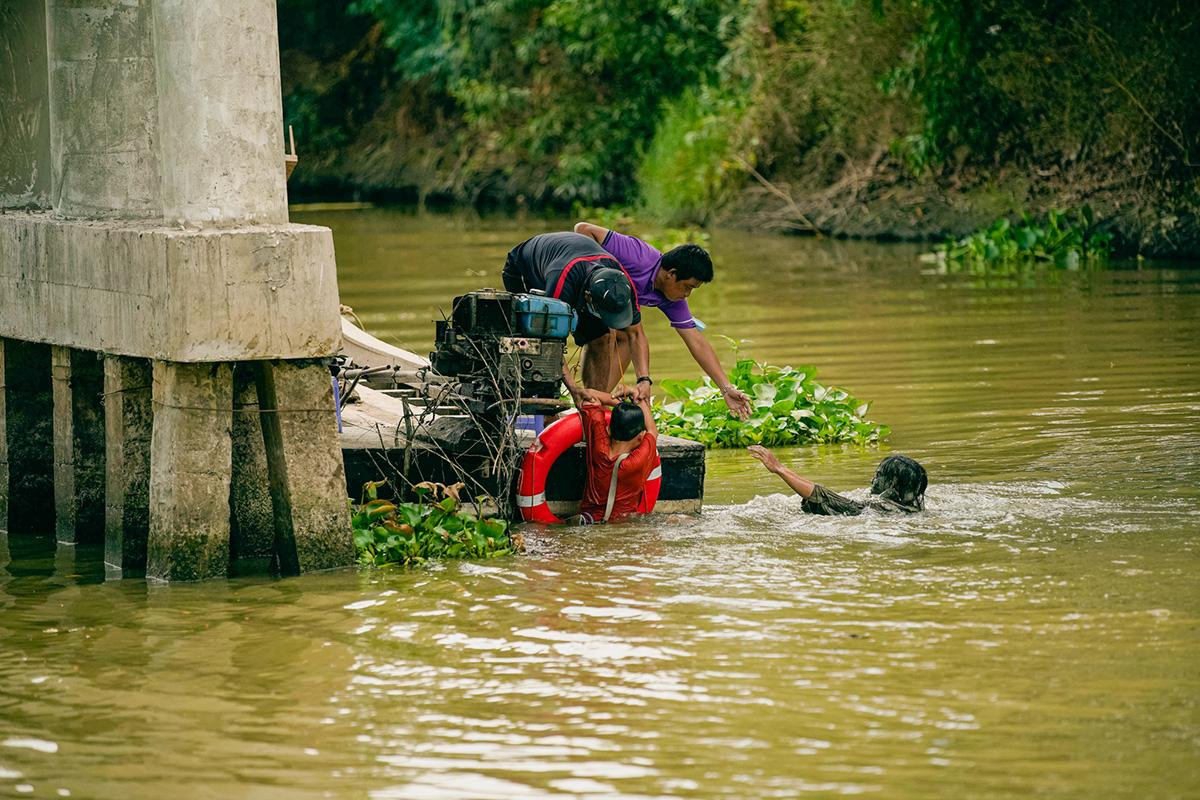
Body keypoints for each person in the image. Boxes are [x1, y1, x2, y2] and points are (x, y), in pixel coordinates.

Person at [573, 221, 752, 419]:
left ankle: (591, 407)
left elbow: (697, 341)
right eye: (688, 287)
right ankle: (590, 405)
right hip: (579, 288)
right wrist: (599, 272)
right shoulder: (638, 256)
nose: (688, 294)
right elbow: (583, 229)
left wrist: (726, 389)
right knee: (611, 332)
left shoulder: (673, 299)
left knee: (625, 337)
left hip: (607, 313)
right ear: (671, 274)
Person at [503, 231, 652, 403]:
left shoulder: (622, 283)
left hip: (579, 267)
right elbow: (549, 344)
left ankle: (592, 406)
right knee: (535, 340)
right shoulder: (562, 282)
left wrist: (644, 379)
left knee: (602, 338)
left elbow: (636, 334)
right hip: (524, 270)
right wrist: (573, 389)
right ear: (588, 297)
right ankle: (546, 409)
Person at [561, 377, 659, 525]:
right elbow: (652, 430)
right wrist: (634, 395)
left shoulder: (599, 447)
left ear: (609, 429)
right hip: (623, 525)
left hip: (589, 519)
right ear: (640, 437)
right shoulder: (637, 461)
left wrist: (617, 403)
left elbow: (589, 397)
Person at [747, 445, 928, 515]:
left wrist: (779, 468)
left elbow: (824, 496)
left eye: (879, 475)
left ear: (893, 484)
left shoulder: (881, 508)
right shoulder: (914, 509)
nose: (873, 480)